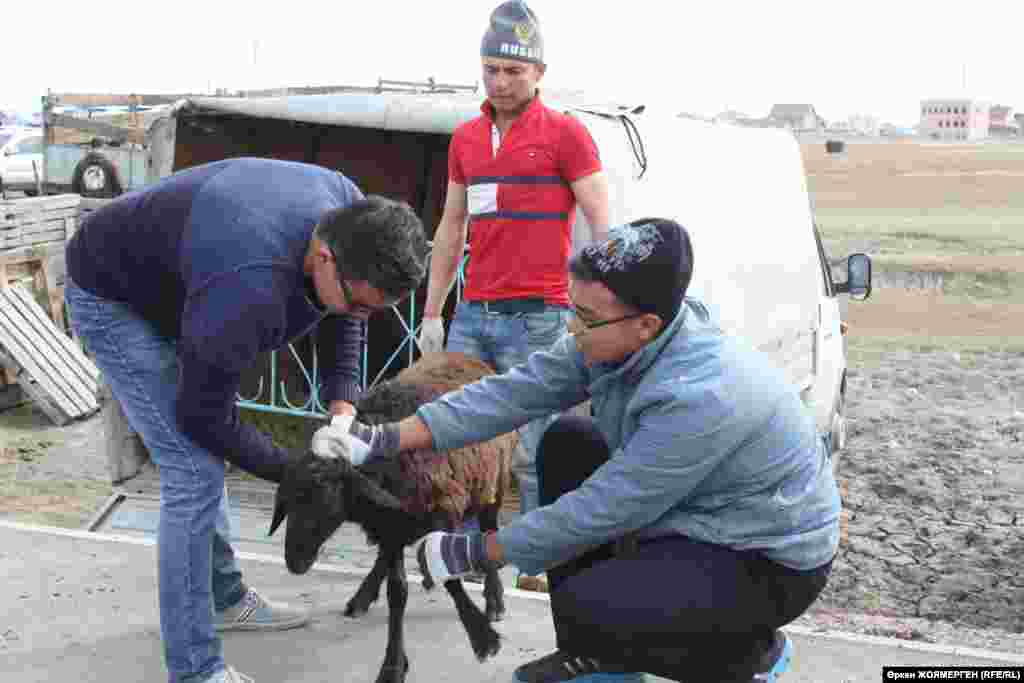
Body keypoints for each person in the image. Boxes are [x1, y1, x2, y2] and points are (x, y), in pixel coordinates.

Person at [320, 218, 839, 683]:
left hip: (766, 556)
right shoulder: (612, 336)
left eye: (586, 319)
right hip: (693, 510)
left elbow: (602, 510)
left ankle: (749, 656)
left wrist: (476, 551)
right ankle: (593, 652)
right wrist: (386, 437)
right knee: (568, 442)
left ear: (647, 325)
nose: (572, 328)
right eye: (573, 309)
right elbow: (511, 393)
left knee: (600, 604)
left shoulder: (701, 395)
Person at [64, 157, 429, 683]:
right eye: (358, 302)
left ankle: (224, 598)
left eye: (376, 309)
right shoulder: (248, 287)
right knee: (193, 471)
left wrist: (343, 406)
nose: (361, 315)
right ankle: (195, 669)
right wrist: (298, 471)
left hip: (185, 279)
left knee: (205, 458)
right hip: (114, 298)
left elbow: (347, 317)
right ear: (324, 257)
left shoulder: (350, 210)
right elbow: (201, 415)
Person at [417, 1, 610, 590]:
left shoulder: (567, 135)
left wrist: (601, 309)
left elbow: (602, 223)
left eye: (513, 71)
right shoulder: (467, 140)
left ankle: (534, 560)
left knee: (531, 449)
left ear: (539, 73)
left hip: (539, 319)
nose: (500, 82)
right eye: (491, 70)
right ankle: (464, 554)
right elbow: (451, 229)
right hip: (473, 316)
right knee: (460, 438)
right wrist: (432, 313)